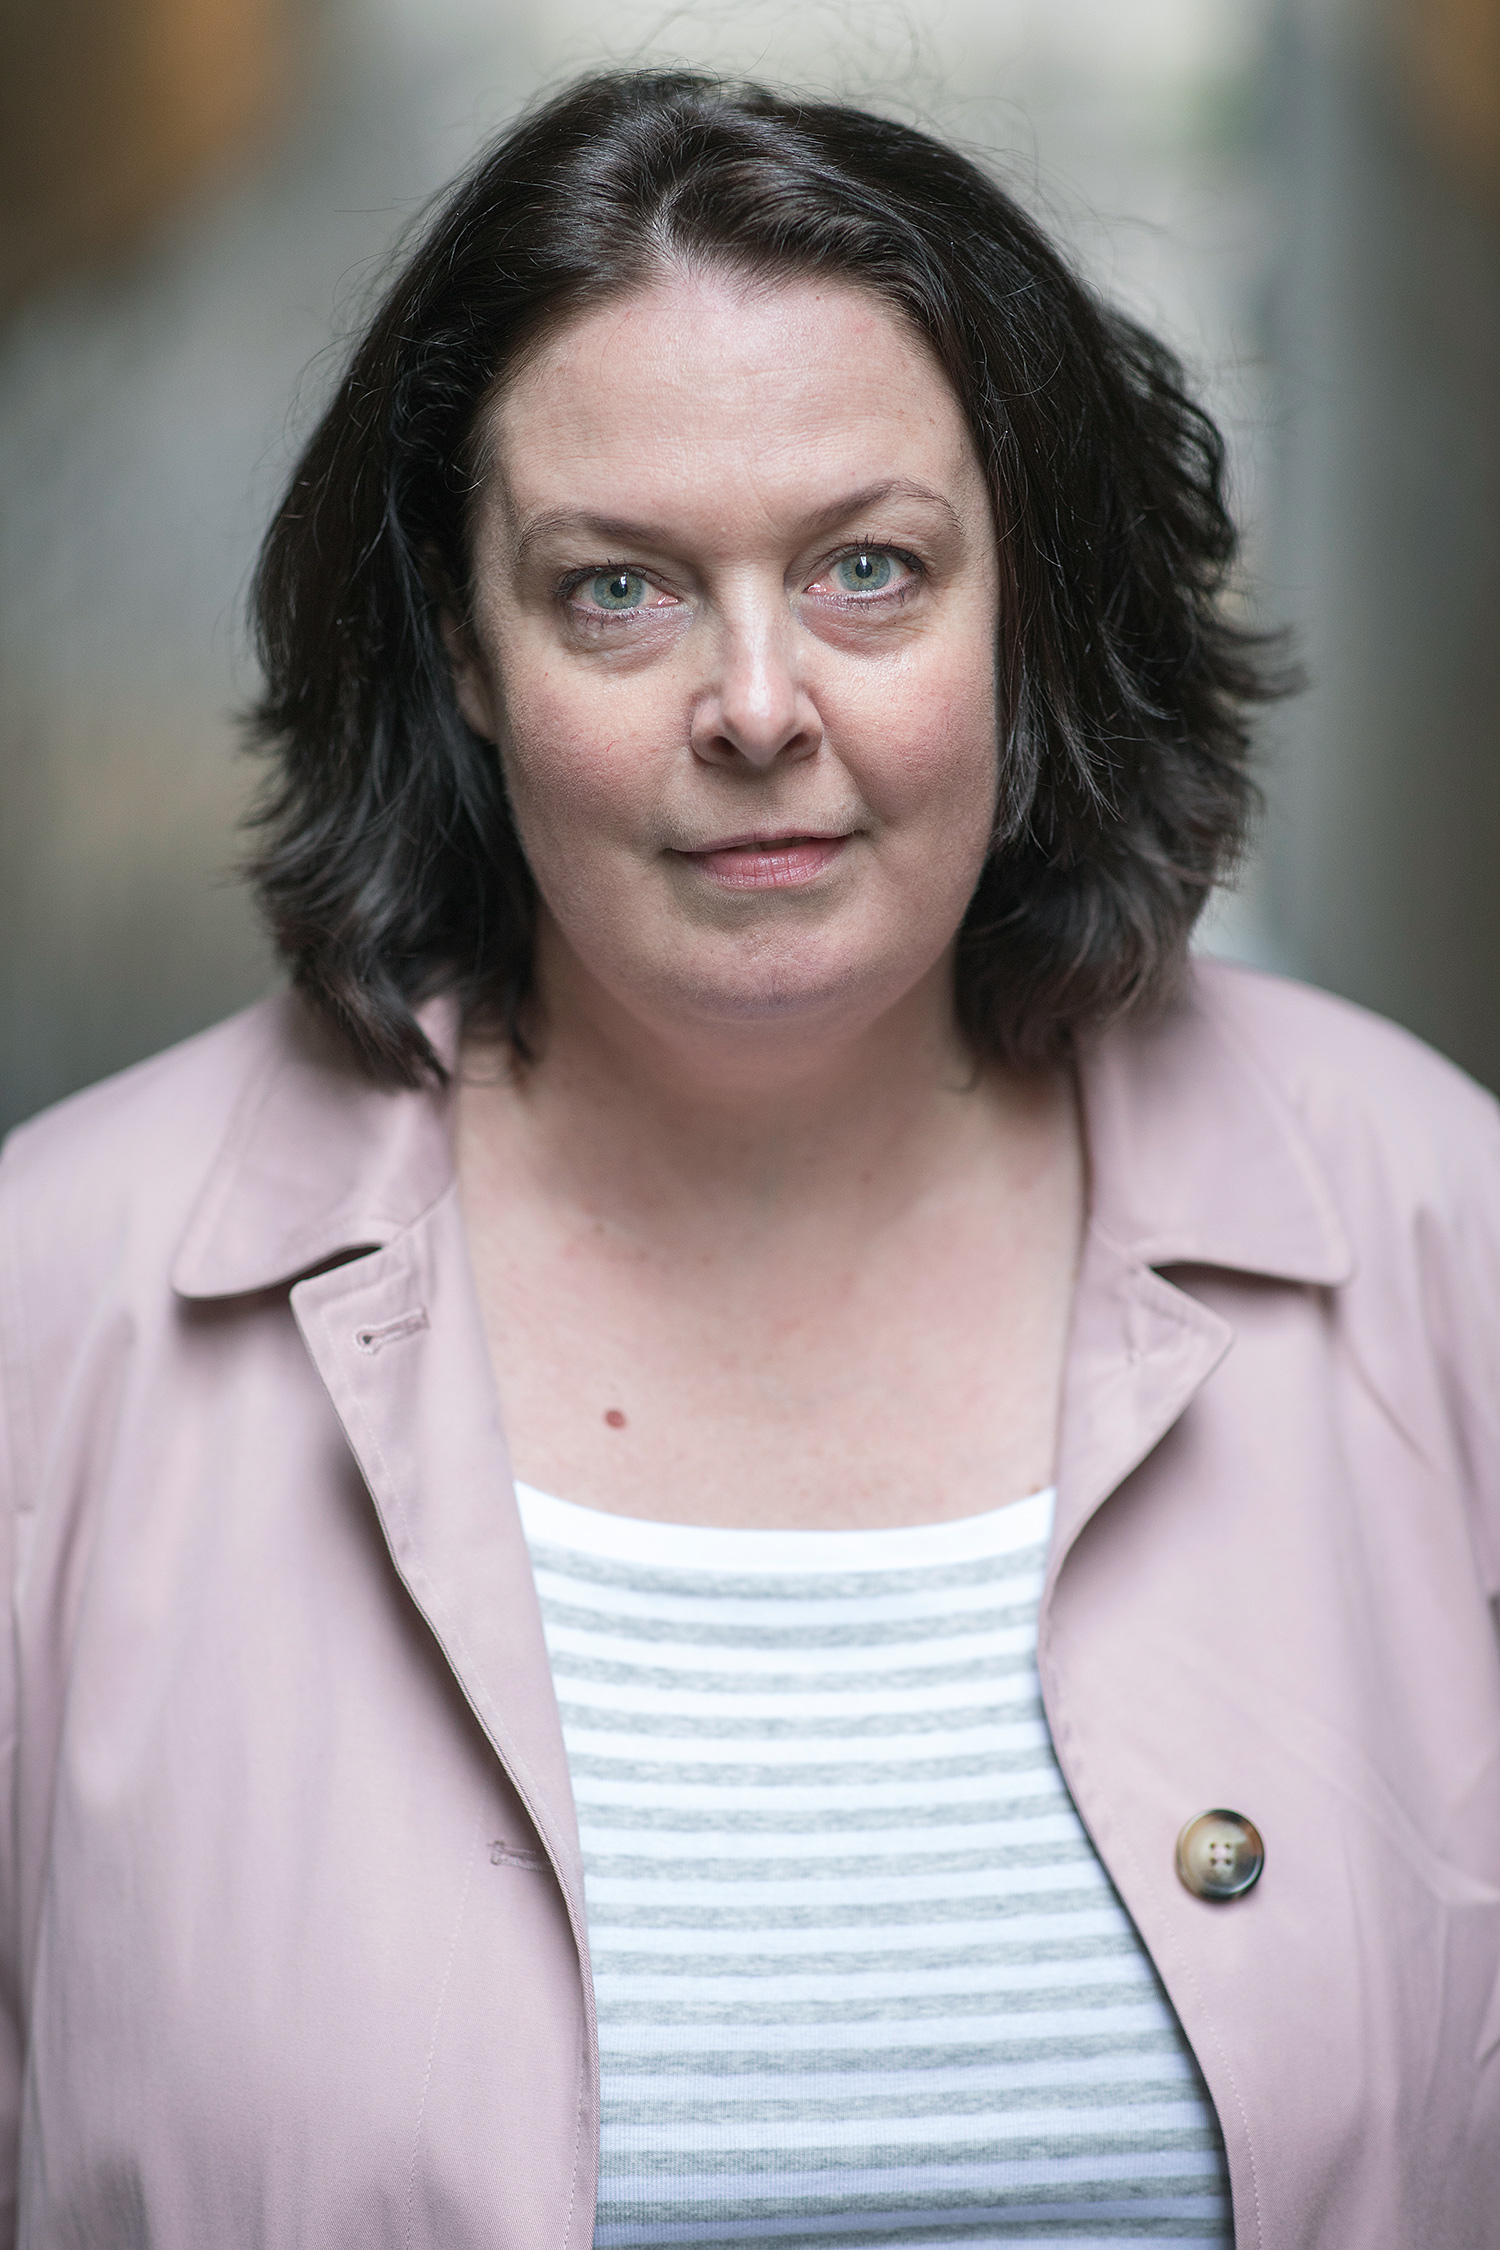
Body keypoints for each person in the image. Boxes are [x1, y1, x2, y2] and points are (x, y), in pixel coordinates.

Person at [0, 66, 1496, 2250]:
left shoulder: (1439, 1230)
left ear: (1032, 607)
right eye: (619, 592)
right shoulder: (56, 1310)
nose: (760, 705)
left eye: (870, 571)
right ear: (462, 650)